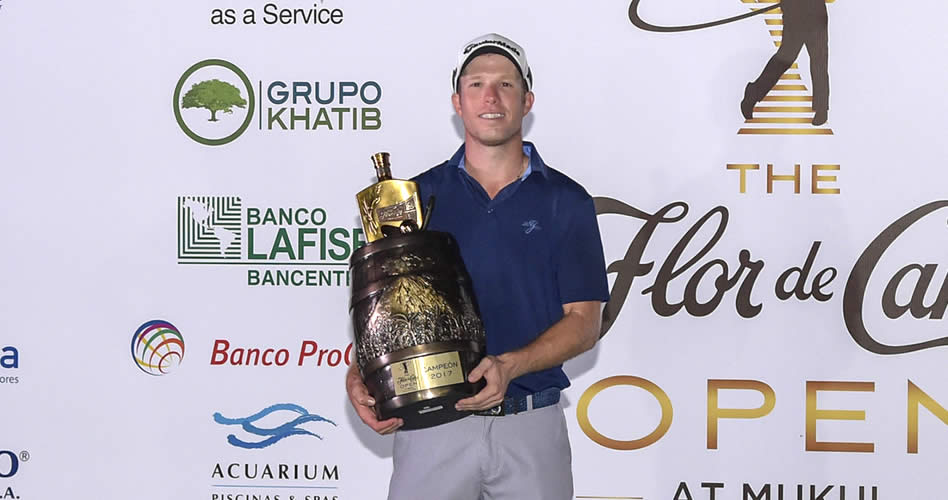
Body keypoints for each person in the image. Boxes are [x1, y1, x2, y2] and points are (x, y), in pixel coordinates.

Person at [346, 33, 609, 500]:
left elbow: (585, 323)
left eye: (505, 84)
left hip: (530, 424)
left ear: (527, 101)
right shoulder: (413, 199)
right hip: (432, 427)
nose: (491, 97)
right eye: (476, 85)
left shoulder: (566, 201)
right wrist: (361, 372)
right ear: (458, 102)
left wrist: (510, 366)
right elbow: (383, 308)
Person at [740, 0, 830, 125]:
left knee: (819, 61)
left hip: (816, 13)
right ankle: (753, 93)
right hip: (795, 12)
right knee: (785, 58)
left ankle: (822, 108)